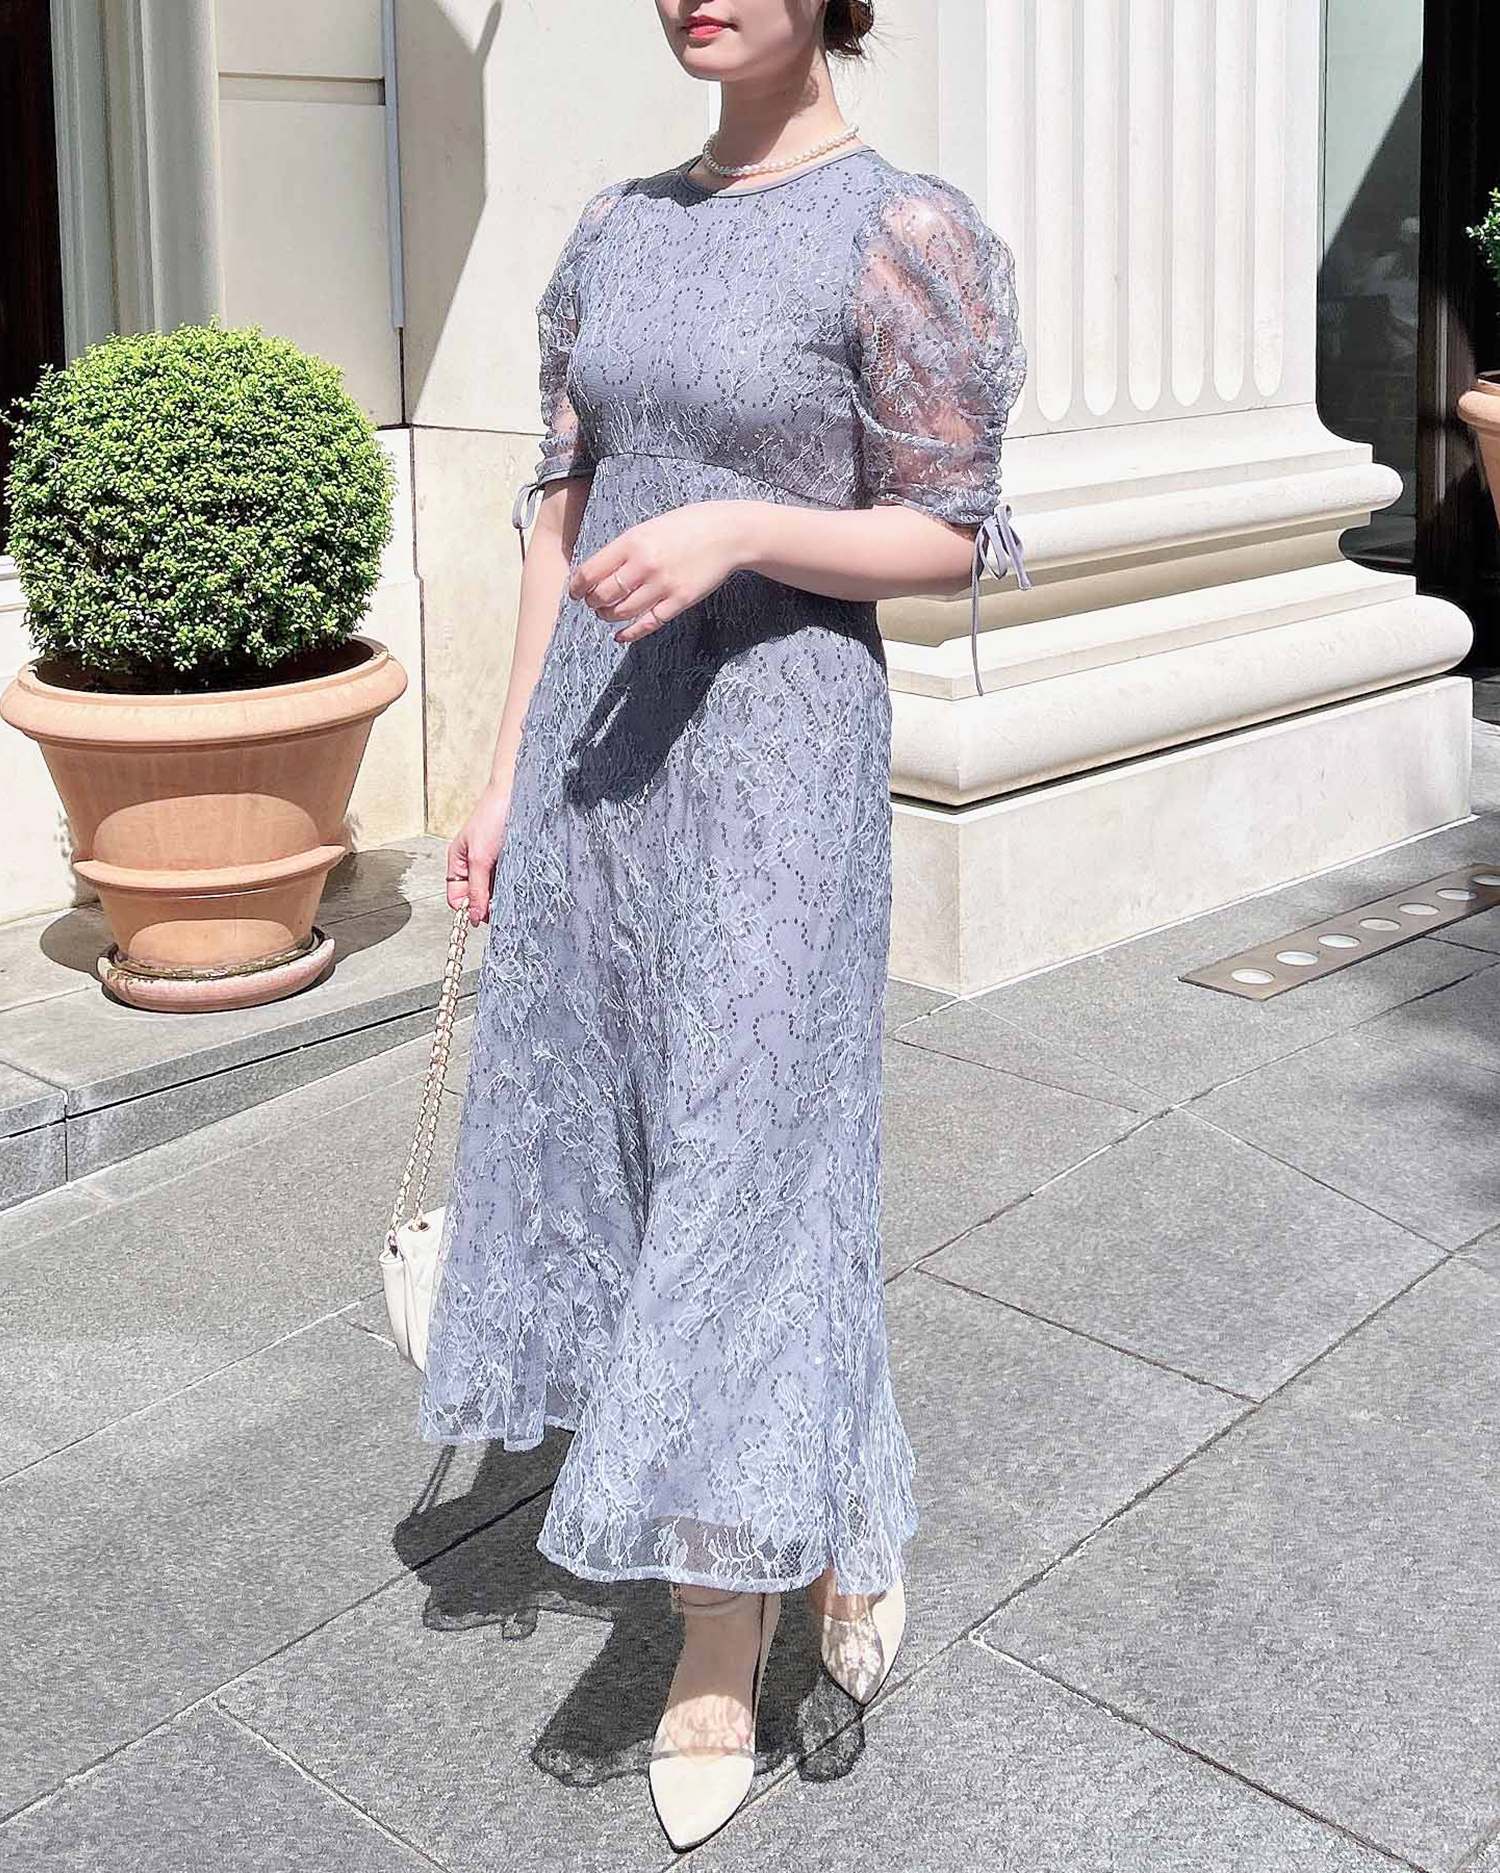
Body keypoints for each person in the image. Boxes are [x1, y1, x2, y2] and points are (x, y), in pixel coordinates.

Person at [419, 0, 1029, 1850]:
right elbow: (562, 511)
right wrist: (503, 777)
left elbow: (951, 527)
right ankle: (828, 1510)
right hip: (602, 760)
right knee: (646, 1151)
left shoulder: (900, 227)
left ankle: (711, 1639)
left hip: (778, 754)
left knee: (748, 1155)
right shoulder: (616, 227)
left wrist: (747, 529)